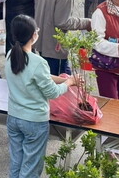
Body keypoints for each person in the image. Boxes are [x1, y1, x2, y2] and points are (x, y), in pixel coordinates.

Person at [5, 15, 79, 178]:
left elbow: (36, 77)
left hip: (14, 116)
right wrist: (68, 84)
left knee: (17, 161)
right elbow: (52, 92)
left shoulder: (11, 55)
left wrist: (66, 80)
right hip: (34, 120)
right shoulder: (38, 62)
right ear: (33, 35)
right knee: (31, 166)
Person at [34, 0, 91, 75]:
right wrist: (86, 23)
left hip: (40, 40)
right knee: (62, 83)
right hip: (54, 46)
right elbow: (62, 22)